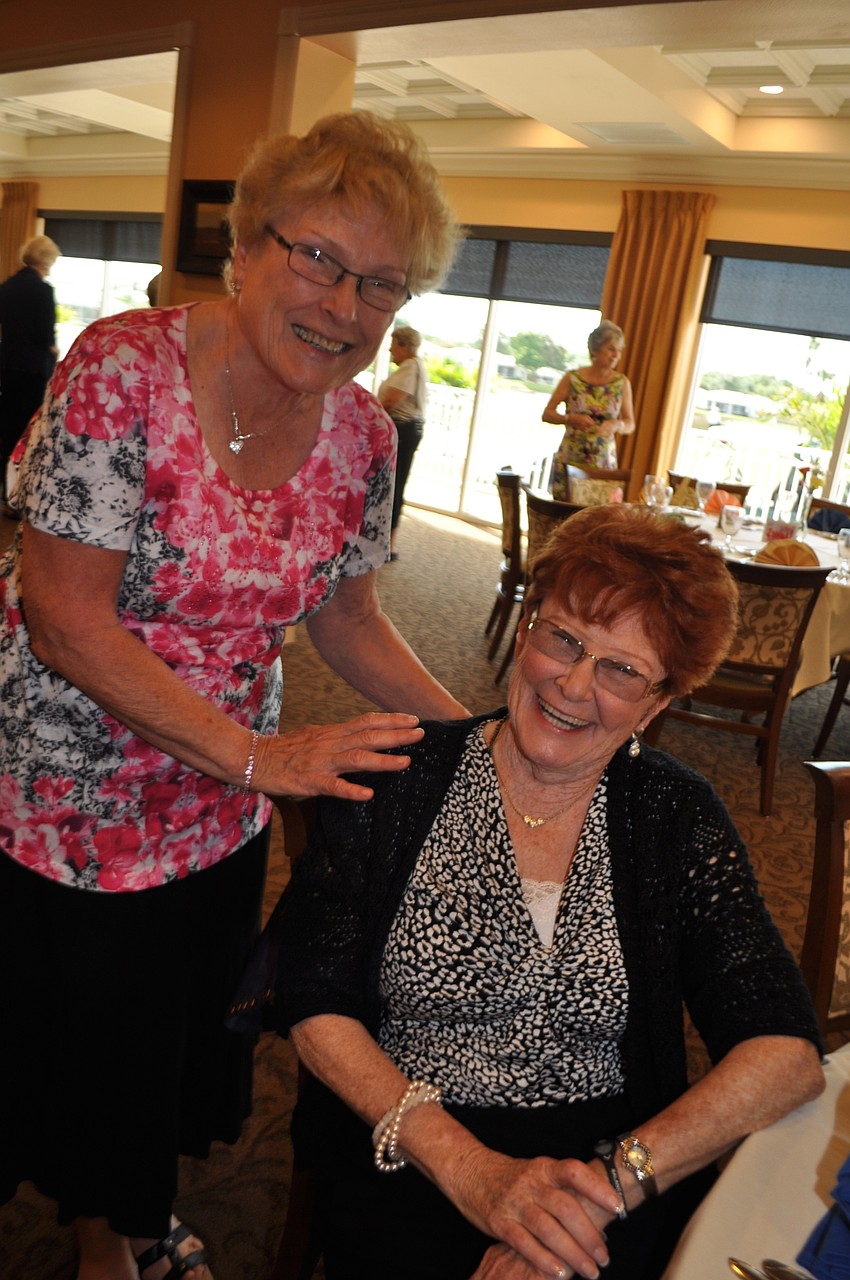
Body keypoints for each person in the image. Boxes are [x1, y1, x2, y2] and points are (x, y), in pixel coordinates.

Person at [0, 112, 468, 1280]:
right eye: (316, 256)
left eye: (380, 286)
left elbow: (346, 616)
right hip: (66, 802)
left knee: (163, 1037)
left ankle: (124, 1210)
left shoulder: (363, 435)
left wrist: (487, 743)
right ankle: (99, 1231)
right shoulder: (123, 369)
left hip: (221, 807)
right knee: (68, 1039)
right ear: (245, 245)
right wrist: (258, 756)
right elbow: (64, 619)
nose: (342, 304)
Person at [269, 504, 824, 1280]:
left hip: (608, 1175)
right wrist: (473, 1172)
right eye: (564, 638)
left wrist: (600, 1193)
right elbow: (309, 997)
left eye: (623, 671)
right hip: (416, 1146)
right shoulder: (397, 779)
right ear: (527, 627)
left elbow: (786, 1054)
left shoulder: (675, 815)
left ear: (658, 703)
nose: (573, 683)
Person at [0, 233, 60, 517]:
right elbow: (45, 335)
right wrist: (54, 351)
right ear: (47, 260)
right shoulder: (43, 291)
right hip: (34, 369)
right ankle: (17, 496)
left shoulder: (7, 286)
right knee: (28, 432)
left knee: (6, 426)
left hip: (7, 364)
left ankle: (3, 491)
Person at [543, 320, 634, 493]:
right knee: (564, 514)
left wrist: (617, 424)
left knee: (597, 516)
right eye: (611, 349)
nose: (616, 355)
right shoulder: (572, 378)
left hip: (603, 462)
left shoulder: (622, 383)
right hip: (570, 457)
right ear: (595, 350)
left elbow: (630, 423)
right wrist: (569, 419)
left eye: (619, 350)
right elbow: (547, 414)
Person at [377, 323, 428, 559]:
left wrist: (369, 408)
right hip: (406, 429)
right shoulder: (414, 366)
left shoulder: (410, 367)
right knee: (393, 484)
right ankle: (385, 542)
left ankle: (388, 545)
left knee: (393, 485)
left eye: (393, 346)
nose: (390, 351)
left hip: (403, 430)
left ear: (404, 346)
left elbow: (393, 399)